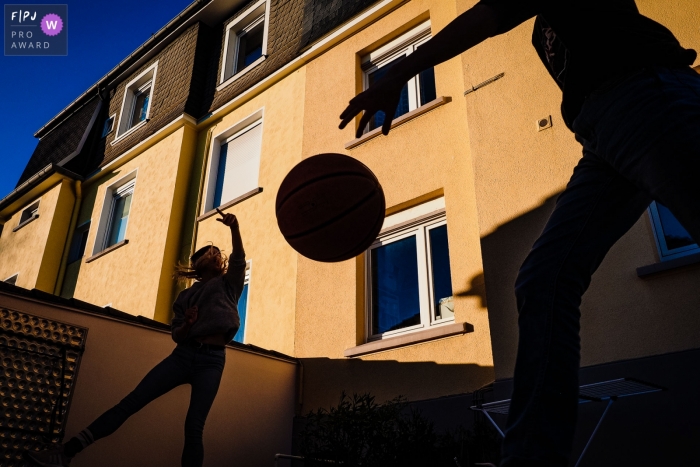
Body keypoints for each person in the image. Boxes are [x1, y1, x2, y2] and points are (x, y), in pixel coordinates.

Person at [339, 1, 699, 466]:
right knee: (543, 280)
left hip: (645, 95)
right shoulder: (543, 33)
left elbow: (488, 16)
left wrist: (399, 71)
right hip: (603, 138)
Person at [26, 209, 247, 467]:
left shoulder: (229, 284)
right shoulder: (185, 298)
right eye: (208, 253)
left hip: (212, 361)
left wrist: (234, 229)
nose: (214, 254)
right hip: (184, 355)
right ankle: (65, 453)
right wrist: (187, 324)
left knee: (194, 426)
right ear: (197, 267)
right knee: (131, 402)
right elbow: (176, 335)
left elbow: (240, 259)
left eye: (216, 252)